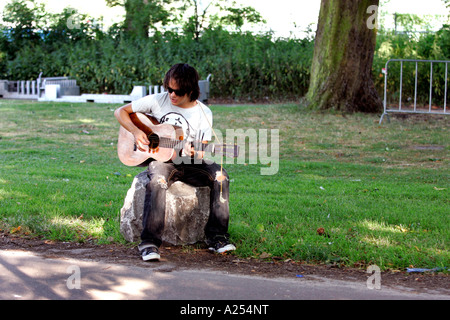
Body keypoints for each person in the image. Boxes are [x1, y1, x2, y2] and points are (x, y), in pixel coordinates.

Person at [114, 63, 236, 261]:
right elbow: (120, 112)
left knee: (221, 176)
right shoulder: (158, 100)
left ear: (190, 90)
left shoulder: (203, 113)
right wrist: (137, 132)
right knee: (157, 181)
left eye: (177, 92)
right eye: (169, 89)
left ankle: (217, 238)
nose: (171, 95)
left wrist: (190, 151)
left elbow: (200, 150)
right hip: (163, 161)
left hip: (189, 162)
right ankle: (149, 243)